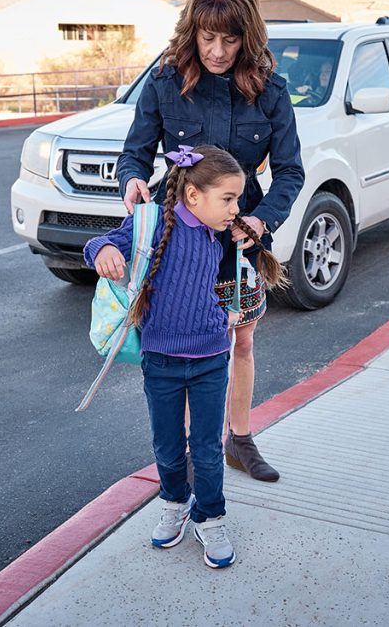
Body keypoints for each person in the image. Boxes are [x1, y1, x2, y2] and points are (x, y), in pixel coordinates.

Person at [117, 0, 304, 482]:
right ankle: (181, 458)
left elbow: (290, 171)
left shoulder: (269, 91)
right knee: (177, 352)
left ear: (248, 35)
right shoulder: (163, 82)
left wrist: (262, 221)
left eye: (230, 38)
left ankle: (238, 442)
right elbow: (133, 155)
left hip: (240, 243)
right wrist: (133, 181)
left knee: (240, 343)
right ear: (192, 31)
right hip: (176, 243)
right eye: (207, 37)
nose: (217, 50)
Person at [84, 145, 288, 568]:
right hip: (160, 361)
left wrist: (250, 238)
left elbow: (237, 265)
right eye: (229, 199)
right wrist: (102, 251)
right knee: (169, 445)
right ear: (194, 195)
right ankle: (174, 502)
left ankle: (210, 516)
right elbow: (103, 241)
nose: (236, 207)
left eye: (237, 199)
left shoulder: (222, 232)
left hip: (212, 357)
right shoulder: (155, 223)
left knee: (208, 449)